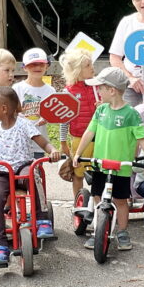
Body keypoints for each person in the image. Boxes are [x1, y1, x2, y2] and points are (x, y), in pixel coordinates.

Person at [72, 67, 144, 251]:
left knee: (120, 200)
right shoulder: (101, 110)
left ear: (112, 90)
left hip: (121, 167)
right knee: (97, 196)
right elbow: (89, 132)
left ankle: (122, 231)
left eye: (100, 88)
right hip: (100, 165)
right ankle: (98, 229)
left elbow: (142, 137)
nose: (98, 91)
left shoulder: (131, 114)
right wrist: (78, 153)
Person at [0, 87, 61, 266]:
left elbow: (44, 143)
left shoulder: (24, 124)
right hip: (2, 171)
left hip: (23, 167)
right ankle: (0, 243)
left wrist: (53, 150)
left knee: (34, 176)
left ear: (4, 108)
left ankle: (42, 219)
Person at [59, 49, 99, 199]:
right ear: (77, 70)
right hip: (79, 138)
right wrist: (63, 141)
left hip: (99, 136)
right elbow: (64, 119)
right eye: (87, 65)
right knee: (78, 173)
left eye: (91, 64)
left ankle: (97, 202)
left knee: (98, 172)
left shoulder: (98, 87)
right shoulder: (68, 91)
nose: (92, 67)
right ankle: (78, 202)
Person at [13, 48, 55, 158]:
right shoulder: (17, 88)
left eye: (41, 64)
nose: (37, 67)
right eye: (33, 65)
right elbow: (11, 113)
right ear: (24, 67)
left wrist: (47, 118)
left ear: (47, 66)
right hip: (19, 141)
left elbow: (54, 115)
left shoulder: (51, 91)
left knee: (37, 168)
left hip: (39, 142)